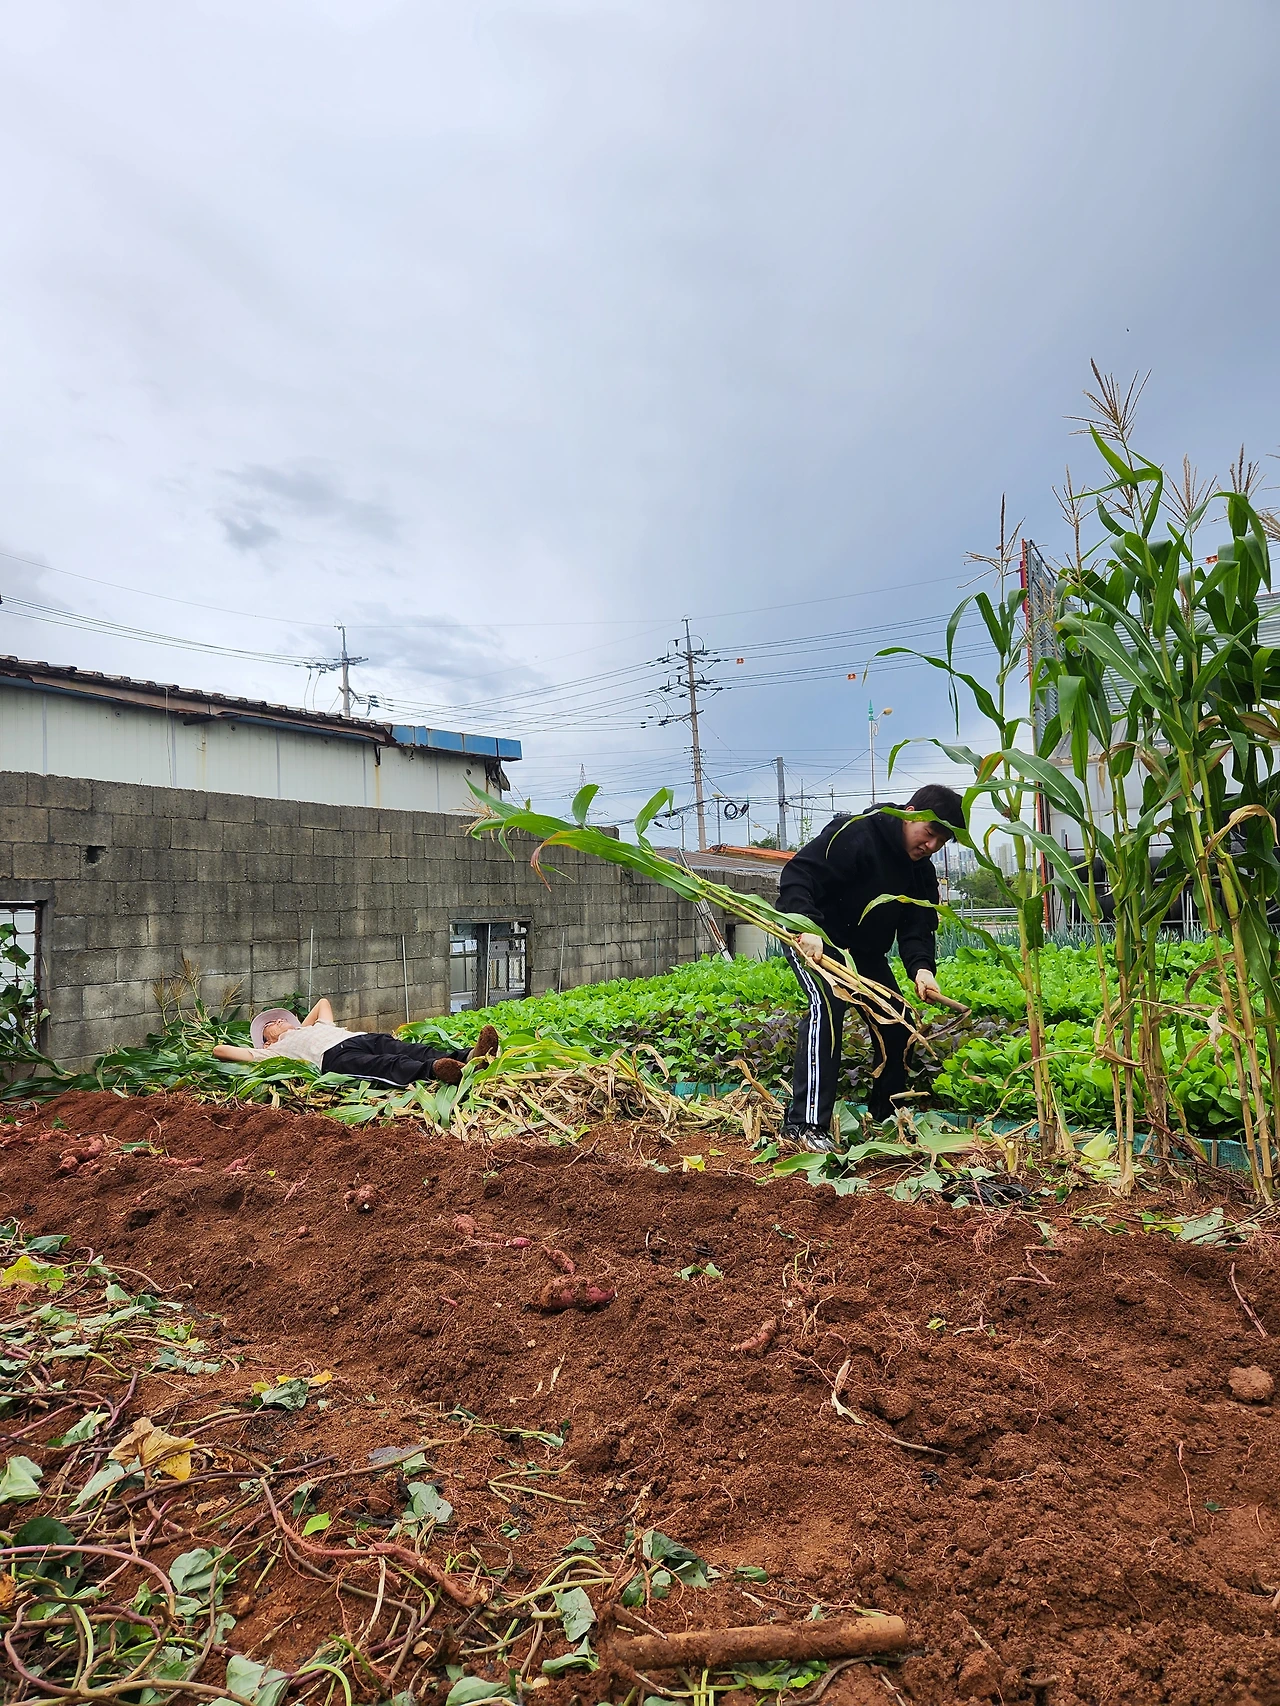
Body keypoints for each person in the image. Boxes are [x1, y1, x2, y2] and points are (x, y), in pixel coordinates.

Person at [777, 784, 966, 1147]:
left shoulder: (920, 871)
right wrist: (806, 926)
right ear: (910, 813)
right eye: (929, 833)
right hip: (816, 939)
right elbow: (799, 874)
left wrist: (922, 969)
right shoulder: (857, 833)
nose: (931, 846)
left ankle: (885, 1118)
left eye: (941, 842)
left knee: (898, 1021)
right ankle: (803, 1126)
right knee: (827, 1007)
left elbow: (917, 926)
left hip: (863, 953)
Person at [211, 998, 499, 1087]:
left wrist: (296, 1027)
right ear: (265, 1043)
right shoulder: (273, 1052)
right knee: (386, 1065)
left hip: (355, 1038)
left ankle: (468, 1055)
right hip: (332, 1058)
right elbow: (220, 1050)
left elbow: (323, 1003)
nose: (277, 1021)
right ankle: (437, 1071)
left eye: (279, 1018)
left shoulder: (316, 1027)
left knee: (409, 1048)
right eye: (270, 1025)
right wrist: (263, 1047)